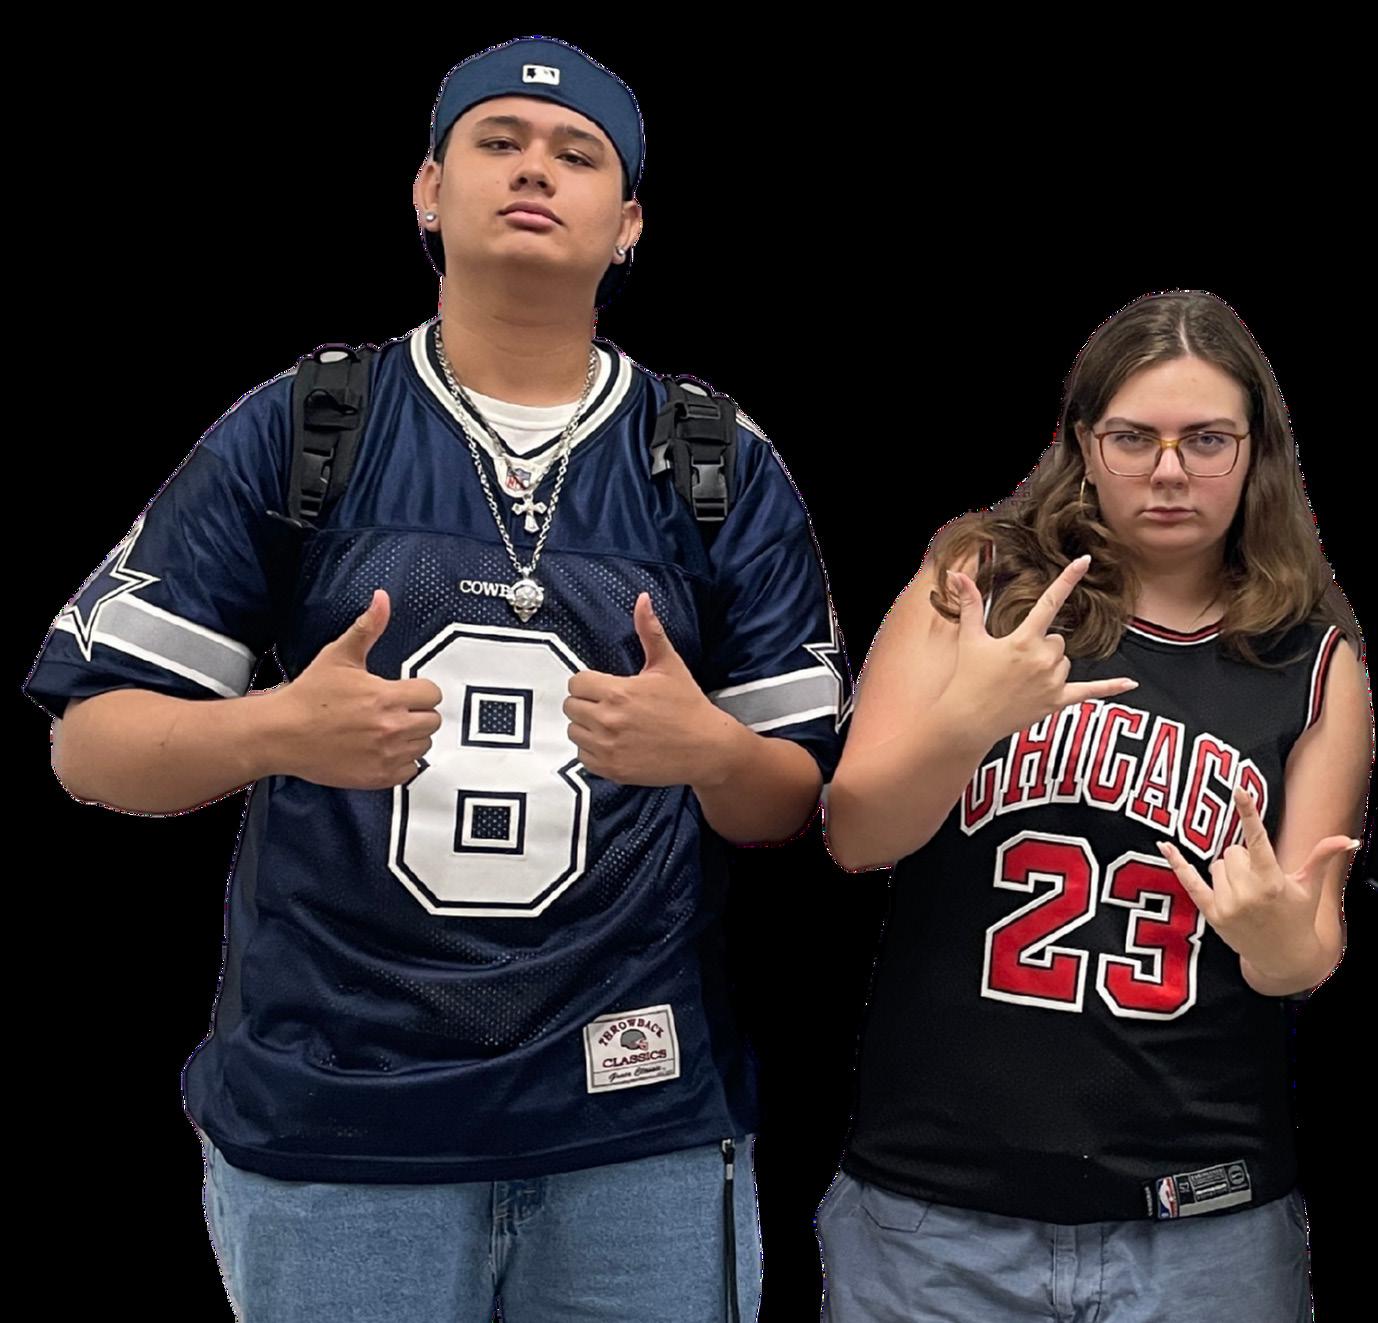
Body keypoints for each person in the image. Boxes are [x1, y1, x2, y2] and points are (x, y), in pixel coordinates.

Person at [23, 36, 852, 1322]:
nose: (535, 169)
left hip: (633, 1117)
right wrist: (272, 730)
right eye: (497, 142)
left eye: (578, 154)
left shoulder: (713, 459)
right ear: (428, 187)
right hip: (338, 1117)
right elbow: (89, 747)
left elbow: (793, 802)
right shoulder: (307, 426)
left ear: (628, 222)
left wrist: (707, 754)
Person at [813, 290, 1370, 1323]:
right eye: (1134, 437)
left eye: (1207, 439)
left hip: (1203, 1220)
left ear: (1257, 451)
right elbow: (854, 835)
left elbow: (1306, 954)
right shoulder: (980, 582)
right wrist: (966, 723)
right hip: (938, 1212)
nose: (1170, 470)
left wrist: (1273, 934)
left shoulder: (1312, 660)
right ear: (1082, 444)